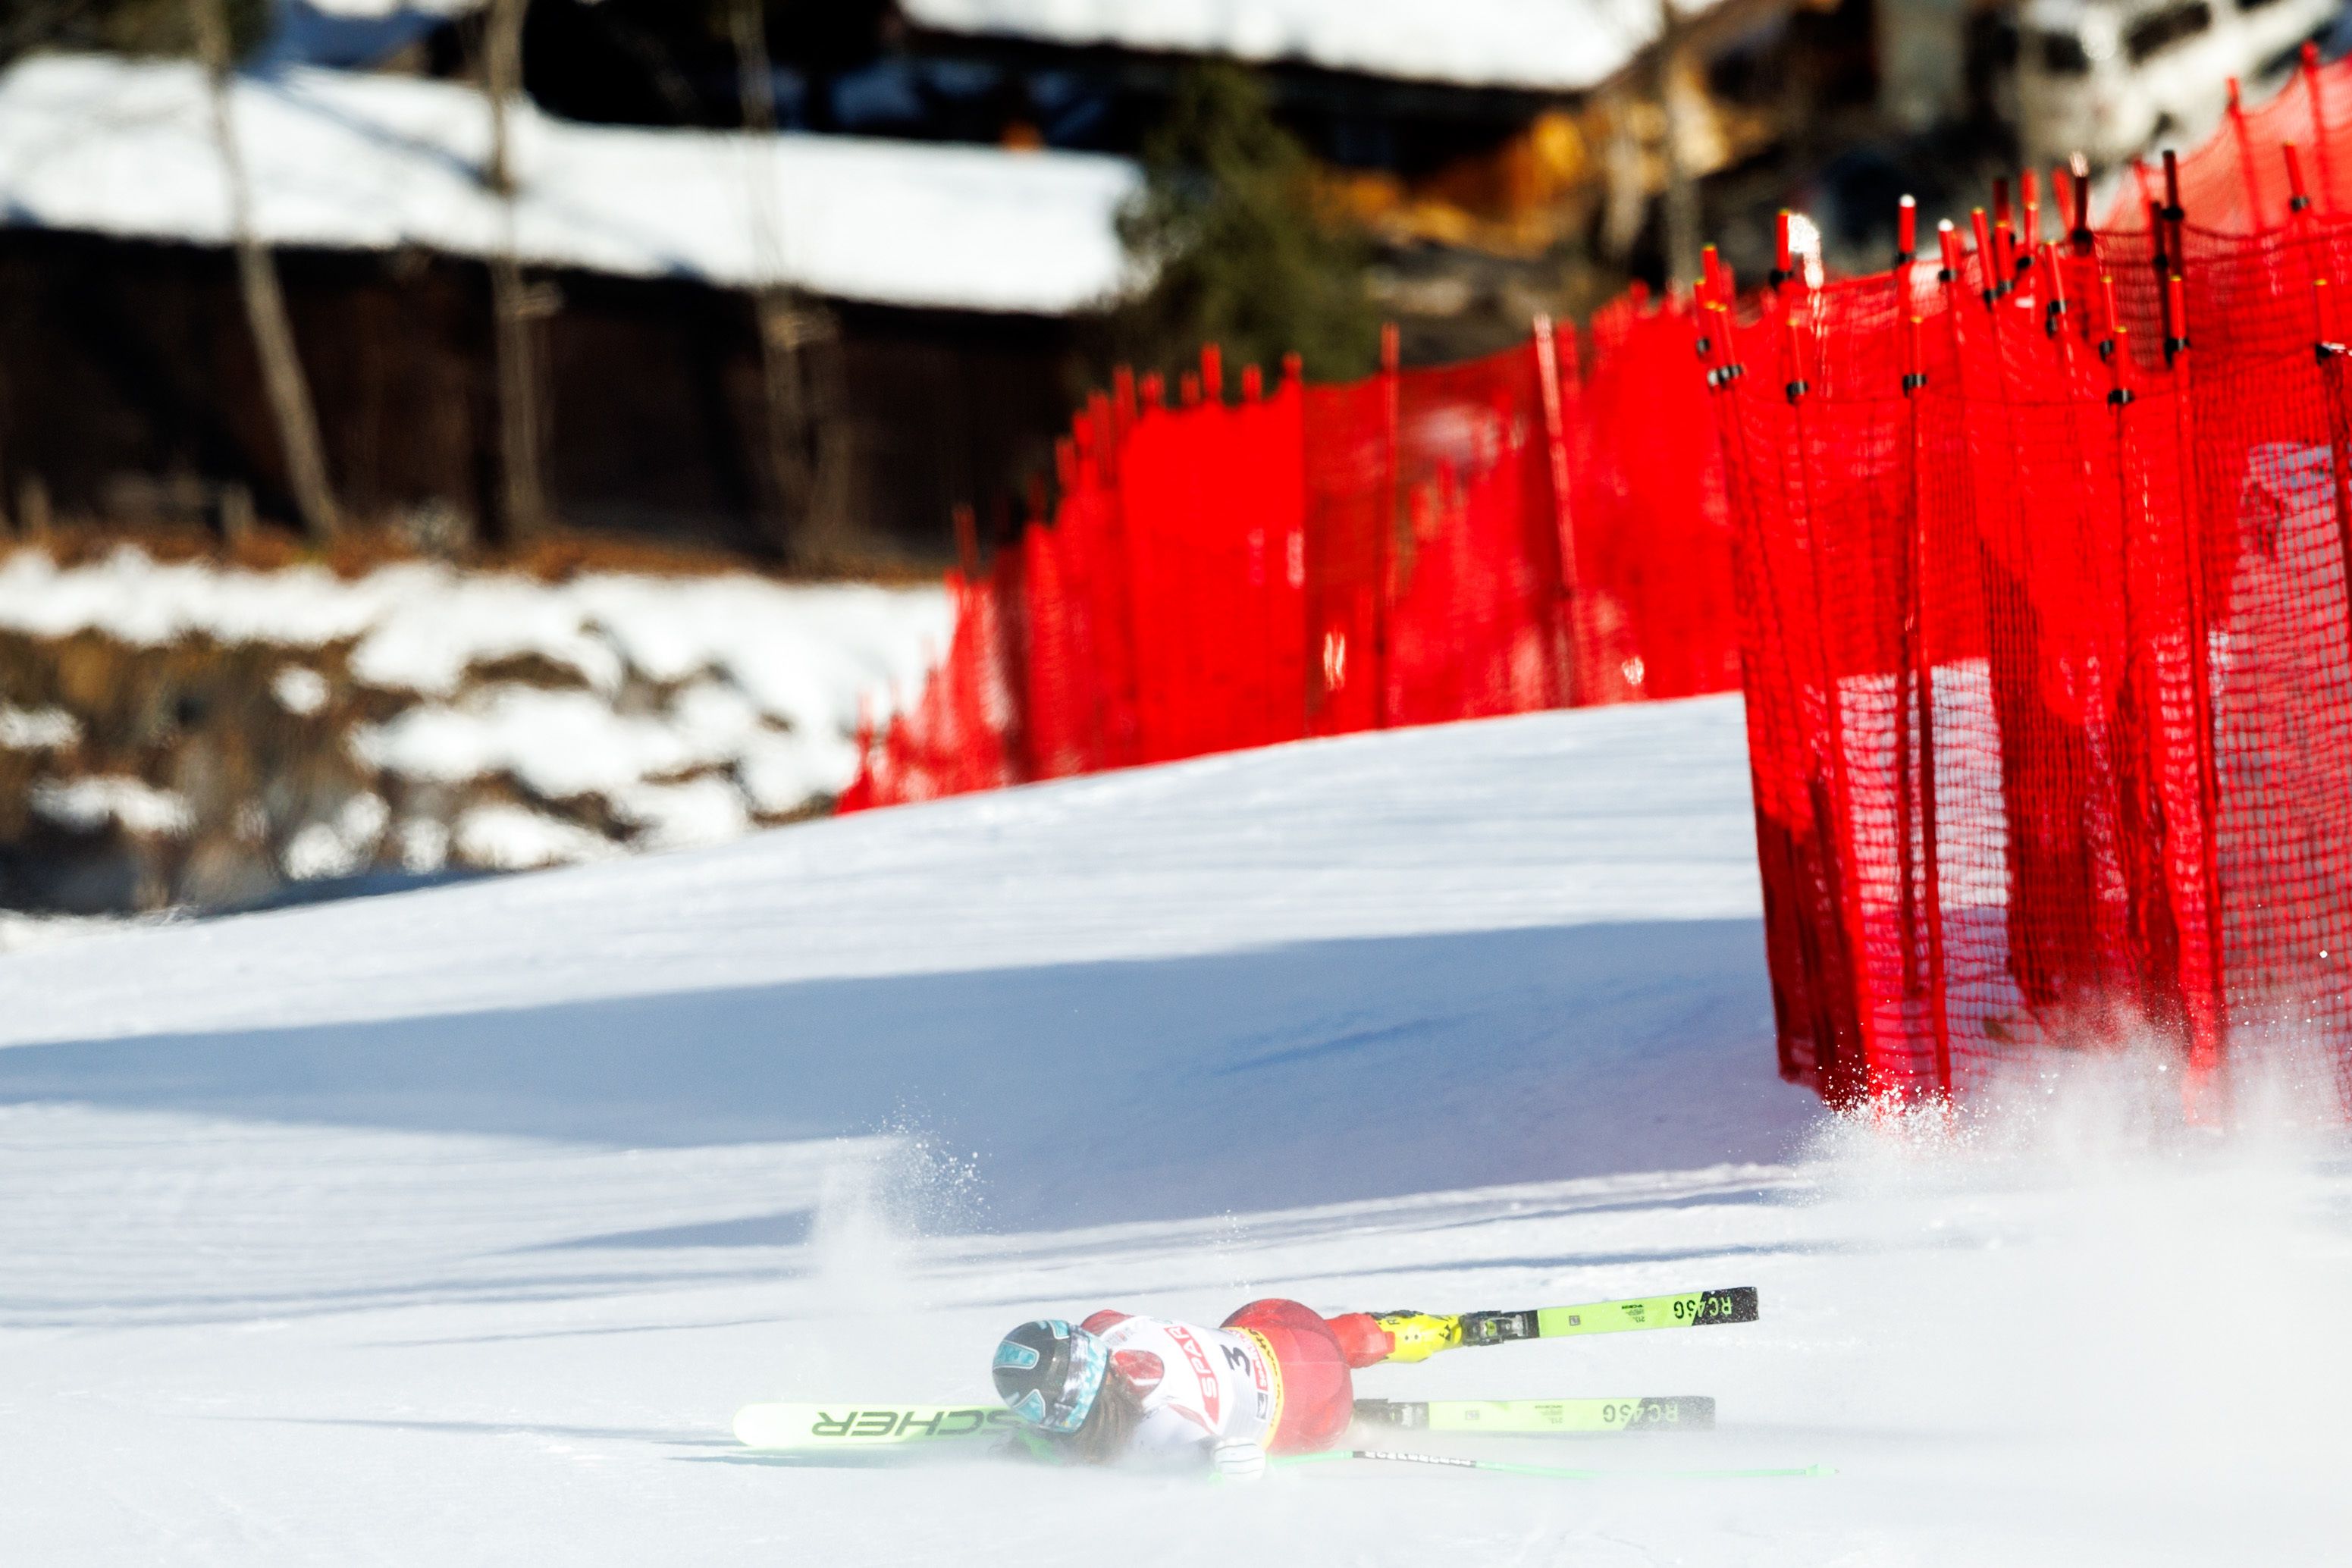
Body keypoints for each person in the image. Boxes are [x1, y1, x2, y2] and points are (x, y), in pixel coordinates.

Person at [989, 1302, 1454, 1477]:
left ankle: (1359, 1423)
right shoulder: (1106, 1328)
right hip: (1281, 1324)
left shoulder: (1151, 1427)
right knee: (1331, 1340)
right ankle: (1434, 1330)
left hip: (1313, 1415)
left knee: (1317, 1408)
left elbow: (1212, 1454)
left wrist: (1041, 1445)